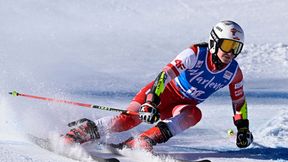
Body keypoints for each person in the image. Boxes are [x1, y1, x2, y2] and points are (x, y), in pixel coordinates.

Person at [64, 20, 253, 151]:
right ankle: (77, 134)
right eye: (227, 46)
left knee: (194, 113)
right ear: (214, 42)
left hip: (179, 106)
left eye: (236, 48)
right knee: (128, 120)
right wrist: (150, 102)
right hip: (161, 94)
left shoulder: (233, 72)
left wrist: (243, 128)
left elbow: (239, 102)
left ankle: (142, 141)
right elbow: (165, 75)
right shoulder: (195, 54)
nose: (230, 52)